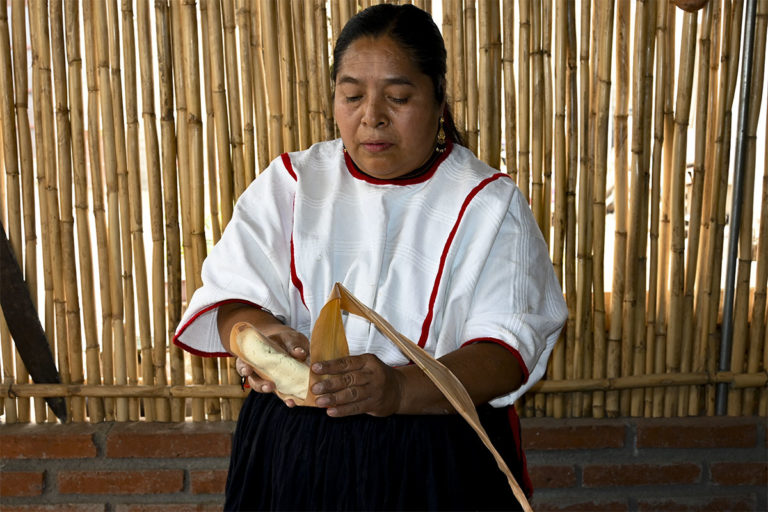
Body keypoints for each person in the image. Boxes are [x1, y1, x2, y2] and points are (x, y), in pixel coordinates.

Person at [174, 3, 568, 510]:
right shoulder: (294, 183)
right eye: (352, 96)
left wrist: (398, 391)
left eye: (398, 97)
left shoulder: (489, 204)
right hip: (293, 454)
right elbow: (234, 297)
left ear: (438, 98)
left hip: (433, 457)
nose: (372, 117)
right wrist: (261, 337)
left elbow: (503, 355)